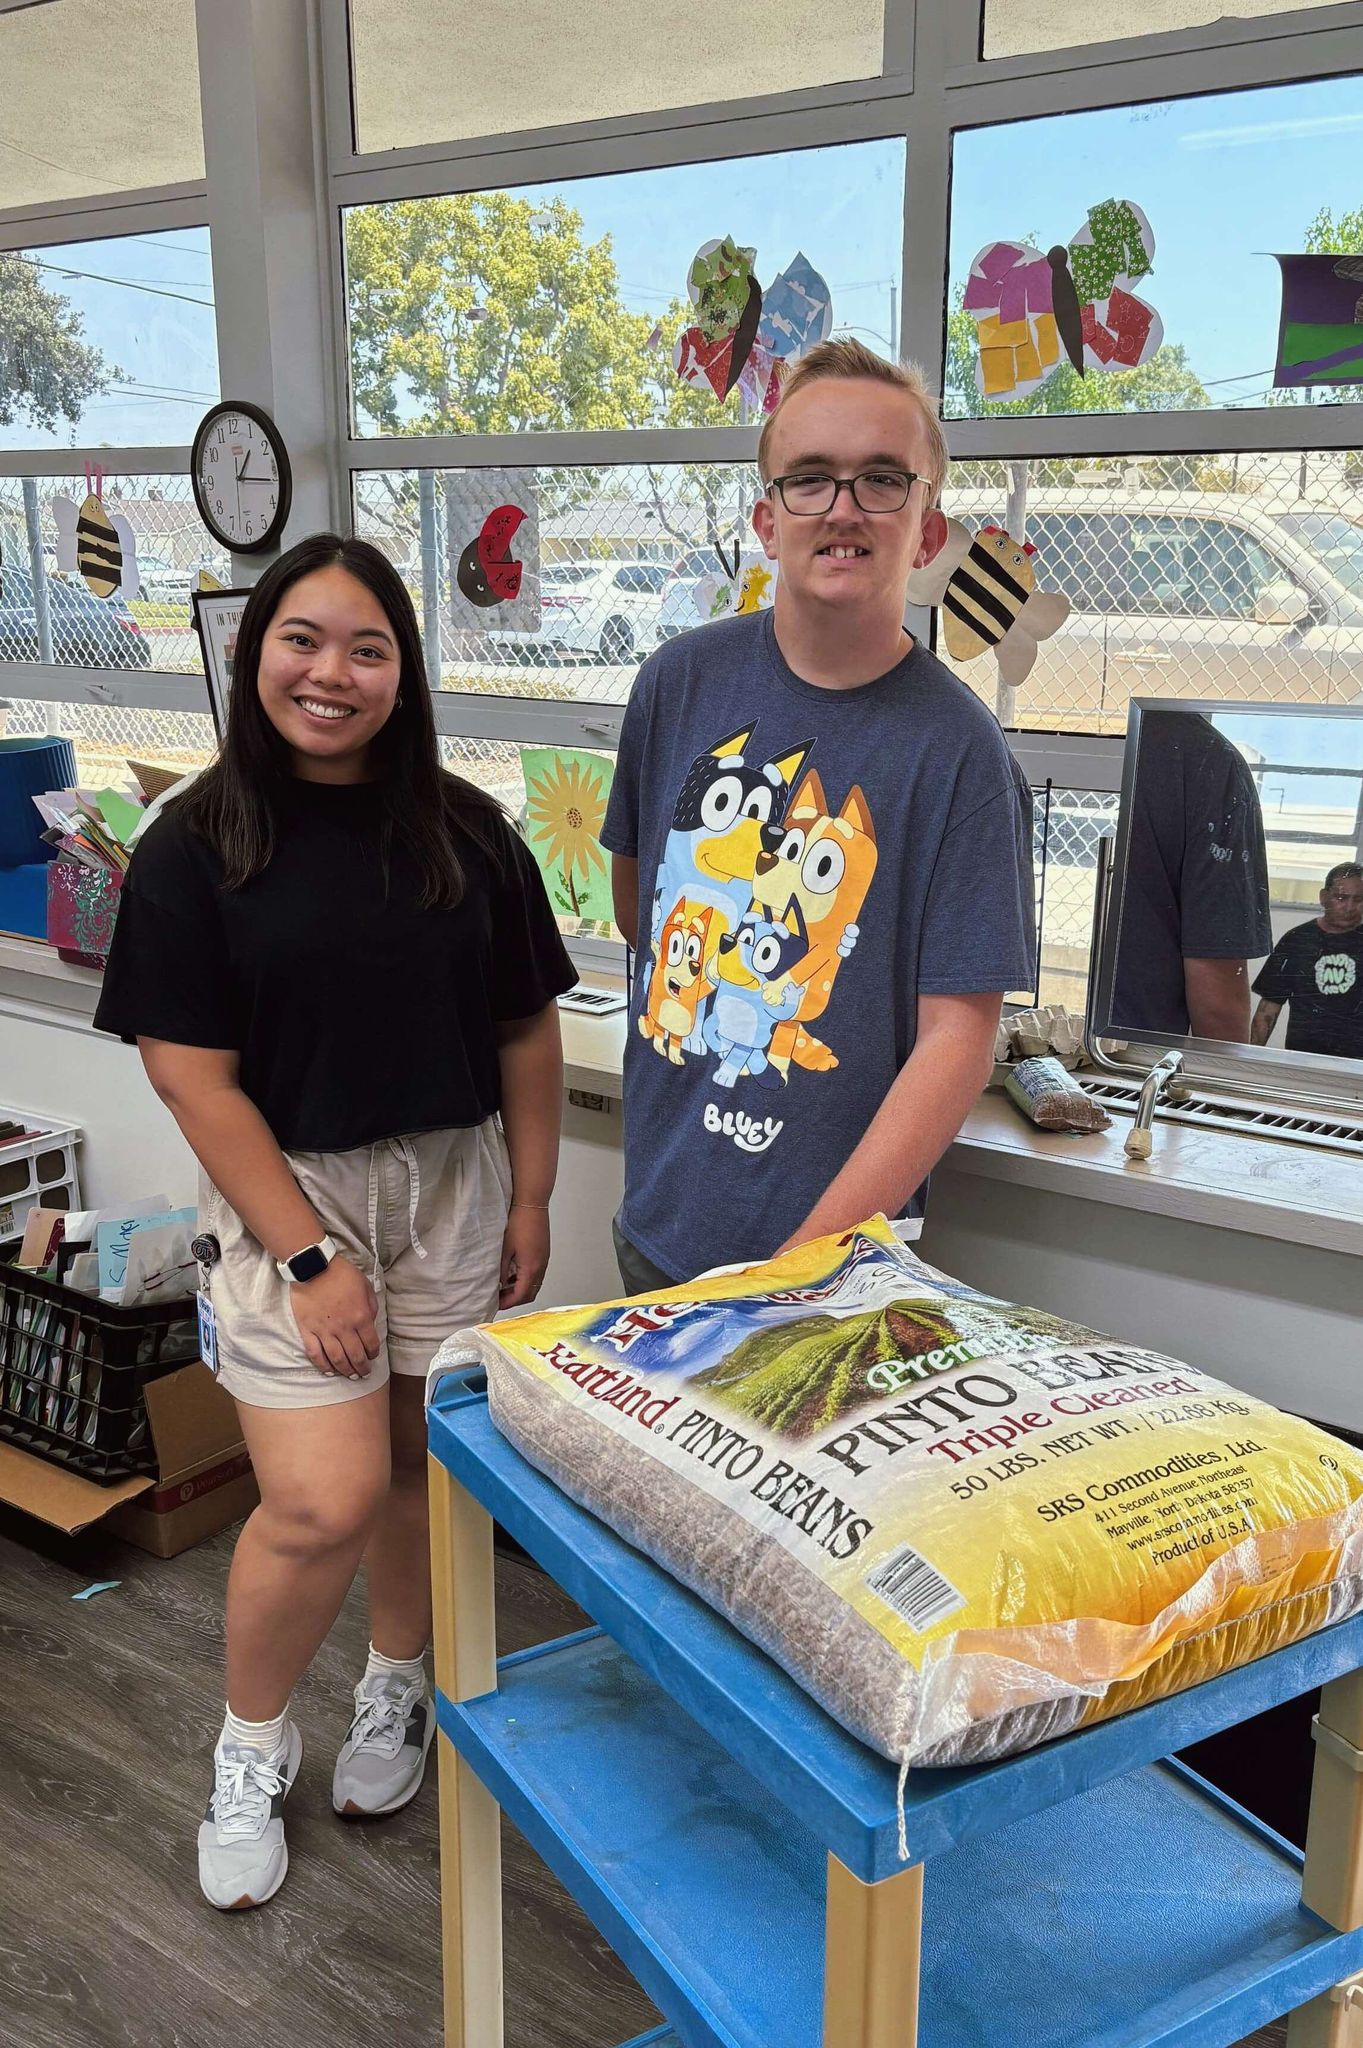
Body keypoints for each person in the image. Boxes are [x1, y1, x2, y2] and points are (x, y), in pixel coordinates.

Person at [94, 534, 575, 1910]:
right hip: (283, 1196)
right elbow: (188, 1070)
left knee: (418, 1463)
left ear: (403, 673)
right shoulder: (195, 843)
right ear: (256, 658)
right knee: (319, 1498)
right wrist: (307, 1255)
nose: (332, 672)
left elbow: (523, 1021)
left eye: (368, 648)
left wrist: (532, 1194)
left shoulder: (465, 829)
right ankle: (250, 1747)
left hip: (450, 1183)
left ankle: (395, 1684)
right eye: (302, 640)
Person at [603, 339, 1036, 1292]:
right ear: (766, 518)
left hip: (838, 1260)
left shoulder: (959, 753)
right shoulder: (677, 682)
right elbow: (639, 901)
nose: (842, 508)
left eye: (882, 480)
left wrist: (806, 1262)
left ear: (926, 530)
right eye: (810, 480)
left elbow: (957, 1038)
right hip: (662, 1216)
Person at [1110, 708, 1272, 1044]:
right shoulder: (1207, 760)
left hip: (1014, 1033)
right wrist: (1224, 1089)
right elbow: (1217, 1000)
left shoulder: (999, 736)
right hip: (1133, 1059)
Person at [1251, 861, 1363, 1057]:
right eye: (1341, 897)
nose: (1349, 907)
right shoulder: (1297, 940)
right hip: (1303, 1060)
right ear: (1323, 897)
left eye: (1358, 899)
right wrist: (1251, 1060)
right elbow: (1268, 1010)